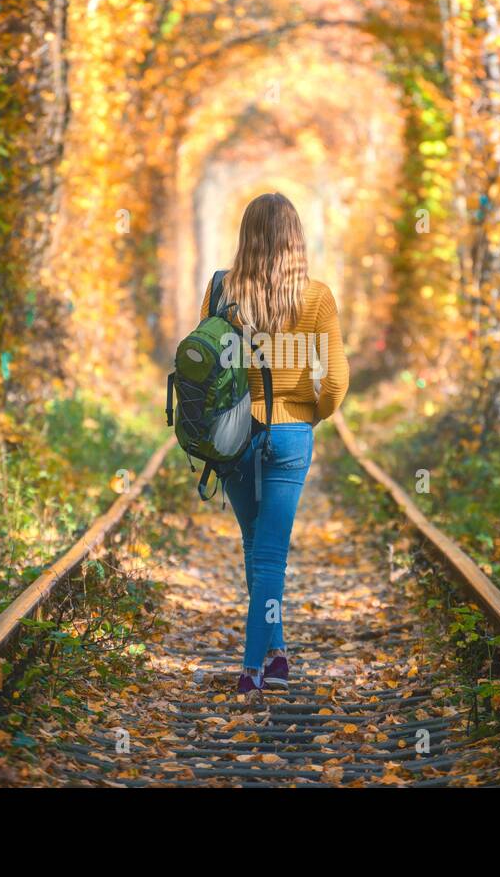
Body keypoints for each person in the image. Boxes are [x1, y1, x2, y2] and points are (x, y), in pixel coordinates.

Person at [199, 192, 349, 695]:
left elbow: (207, 371)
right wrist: (311, 414)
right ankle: (252, 671)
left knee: (256, 547)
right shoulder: (317, 297)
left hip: (234, 436)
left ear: (247, 235)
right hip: (289, 435)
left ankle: (277, 652)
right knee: (269, 556)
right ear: (295, 239)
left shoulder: (223, 290)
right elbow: (336, 384)